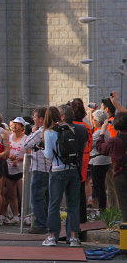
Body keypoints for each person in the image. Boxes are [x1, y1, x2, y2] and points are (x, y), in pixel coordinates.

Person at [43, 104, 83, 247]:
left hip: (58, 170)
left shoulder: (48, 132)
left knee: (54, 205)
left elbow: (48, 154)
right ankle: (73, 237)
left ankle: (52, 237)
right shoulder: (69, 128)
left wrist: (42, 150)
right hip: (73, 170)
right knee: (73, 204)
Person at [95, 111, 127, 223]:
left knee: (124, 203)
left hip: (121, 173)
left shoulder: (115, 141)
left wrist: (102, 132)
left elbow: (100, 148)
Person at [23, 107, 50, 234]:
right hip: (49, 169)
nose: (33, 119)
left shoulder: (40, 131)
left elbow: (26, 144)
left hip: (40, 168)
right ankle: (48, 223)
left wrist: (33, 132)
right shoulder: (52, 129)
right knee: (47, 198)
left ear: (41, 119)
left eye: (34, 117)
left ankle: (41, 225)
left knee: (37, 198)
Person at [5, 117, 28, 225]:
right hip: (9, 168)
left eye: (17, 124)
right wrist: (9, 156)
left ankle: (24, 215)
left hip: (21, 169)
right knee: (11, 194)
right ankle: (15, 216)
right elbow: (4, 151)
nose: (14, 126)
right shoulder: (8, 138)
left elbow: (30, 154)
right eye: (13, 124)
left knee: (22, 194)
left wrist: (18, 159)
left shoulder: (26, 138)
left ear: (23, 127)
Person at [90, 109, 112, 215]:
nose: (92, 121)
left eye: (94, 119)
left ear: (99, 122)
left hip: (98, 161)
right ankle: (101, 209)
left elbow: (89, 145)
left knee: (99, 187)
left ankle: (102, 210)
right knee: (100, 186)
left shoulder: (99, 133)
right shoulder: (105, 131)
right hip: (104, 160)